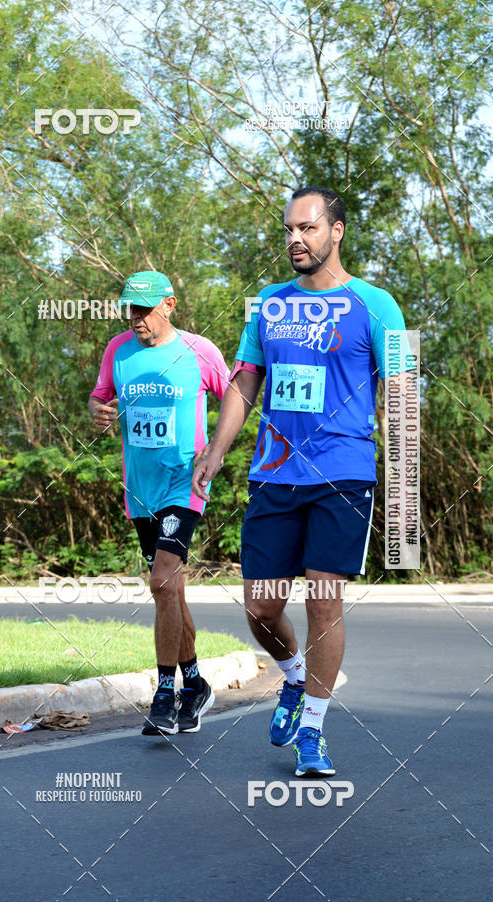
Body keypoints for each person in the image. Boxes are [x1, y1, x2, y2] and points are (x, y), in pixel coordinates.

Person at [193, 187, 409, 775]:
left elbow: (400, 388)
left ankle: (312, 730)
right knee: (261, 607)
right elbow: (245, 382)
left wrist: (403, 473)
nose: (295, 239)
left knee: (323, 601)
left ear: (336, 231)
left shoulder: (376, 304)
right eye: (289, 229)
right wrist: (215, 451)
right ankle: (292, 677)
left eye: (307, 228)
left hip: (343, 472)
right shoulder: (267, 303)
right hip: (274, 472)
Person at [90, 271, 230, 736]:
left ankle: (165, 695)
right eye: (130, 309)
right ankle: (196, 684)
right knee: (170, 591)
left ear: (169, 305)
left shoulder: (199, 351)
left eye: (144, 310)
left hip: (183, 484)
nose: (135, 319)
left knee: (161, 580)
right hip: (140, 490)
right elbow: (100, 397)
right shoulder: (118, 350)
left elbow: (235, 400)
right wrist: (99, 412)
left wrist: (215, 452)